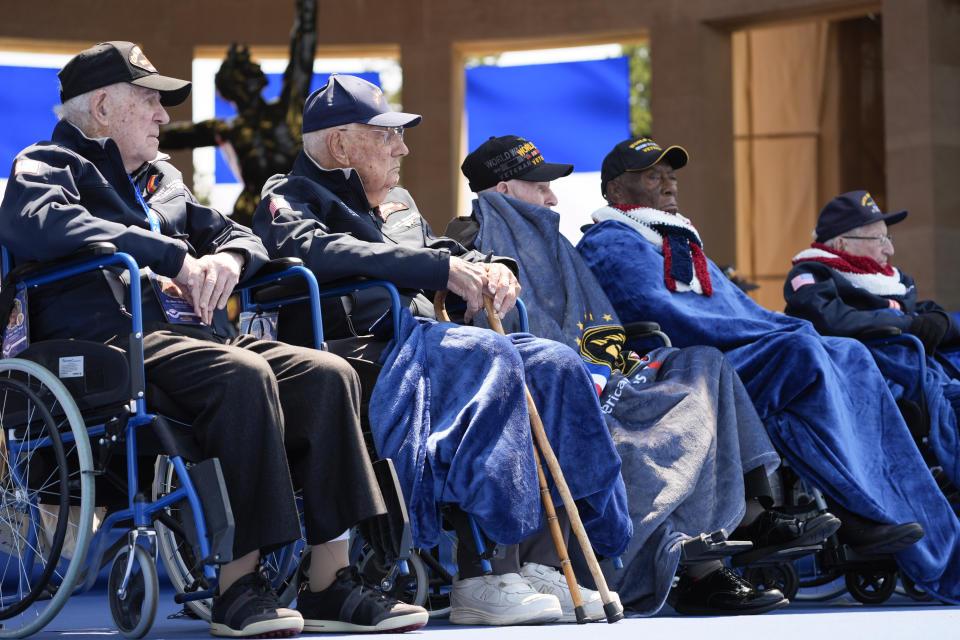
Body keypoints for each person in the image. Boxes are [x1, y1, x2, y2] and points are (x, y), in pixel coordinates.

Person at [0, 42, 429, 637]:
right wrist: (170, 256)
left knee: (327, 372)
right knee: (241, 375)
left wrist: (225, 260)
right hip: (106, 346)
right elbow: (33, 223)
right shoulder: (49, 163)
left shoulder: (162, 182)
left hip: (192, 342)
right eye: (149, 100)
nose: (163, 116)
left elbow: (241, 233)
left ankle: (331, 581)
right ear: (102, 106)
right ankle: (239, 588)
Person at [253, 74, 631, 625]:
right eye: (386, 137)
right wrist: (437, 268)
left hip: (435, 341)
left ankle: (545, 560)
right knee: (486, 356)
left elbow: (439, 248)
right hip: (361, 349)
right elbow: (320, 250)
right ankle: (482, 572)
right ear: (340, 145)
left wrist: (492, 267)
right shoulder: (287, 196)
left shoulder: (398, 203)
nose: (402, 148)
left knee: (556, 362)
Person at [450, 135, 840, 616]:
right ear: (505, 191)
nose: (553, 198)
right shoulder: (471, 241)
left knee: (704, 363)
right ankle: (698, 572)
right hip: (550, 388)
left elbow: (600, 323)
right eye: (541, 186)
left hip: (610, 371)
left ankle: (755, 519)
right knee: (656, 428)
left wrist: (615, 367)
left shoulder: (557, 242)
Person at [577, 135, 960, 605]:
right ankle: (861, 512)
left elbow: (739, 309)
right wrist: (776, 332)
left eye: (671, 175)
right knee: (800, 352)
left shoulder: (675, 237)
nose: (669, 184)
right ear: (618, 191)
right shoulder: (612, 240)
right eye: (653, 176)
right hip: (684, 363)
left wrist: (779, 328)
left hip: (734, 346)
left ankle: (869, 514)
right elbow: (666, 313)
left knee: (850, 354)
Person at [784, 191, 960, 495]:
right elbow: (833, 321)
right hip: (874, 382)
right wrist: (910, 324)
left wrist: (940, 322)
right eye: (879, 239)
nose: (890, 249)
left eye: (888, 238)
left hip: (919, 373)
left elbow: (925, 313)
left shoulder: (894, 281)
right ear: (842, 243)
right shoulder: (810, 275)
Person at [158, 0, 316, 228]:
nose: (257, 67)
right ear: (237, 83)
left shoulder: (287, 109)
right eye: (248, 66)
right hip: (253, 216)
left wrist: (307, 9)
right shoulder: (227, 130)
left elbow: (303, 50)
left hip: (297, 208)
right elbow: (163, 135)